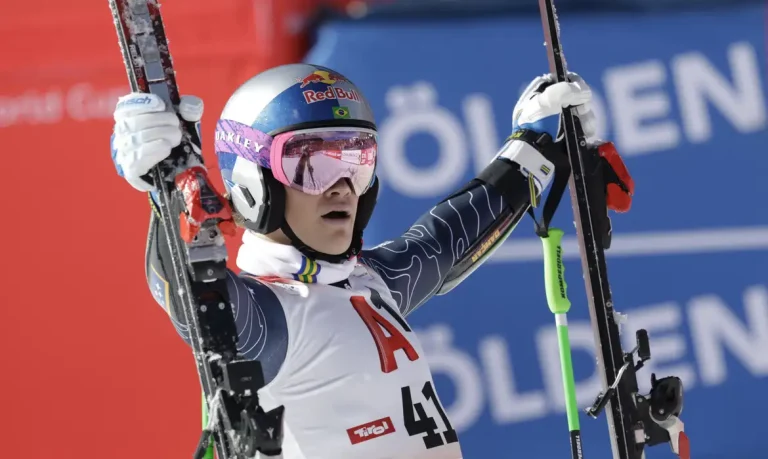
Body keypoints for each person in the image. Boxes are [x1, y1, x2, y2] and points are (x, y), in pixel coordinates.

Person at [110, 63, 631, 459]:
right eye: (311, 162)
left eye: (356, 159)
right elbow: (198, 305)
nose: (341, 186)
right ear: (253, 183)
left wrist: (535, 146)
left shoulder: (368, 282)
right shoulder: (268, 316)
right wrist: (165, 189)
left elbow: (446, 241)